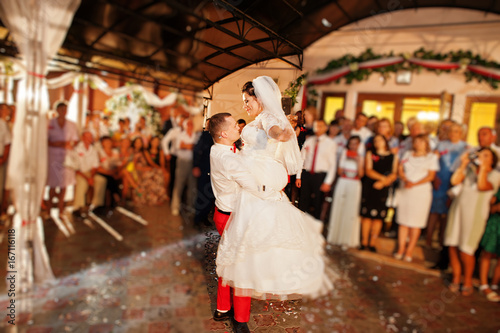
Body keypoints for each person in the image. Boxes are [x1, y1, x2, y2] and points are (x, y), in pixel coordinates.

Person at [215, 77, 332, 307]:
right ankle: (245, 286)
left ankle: (248, 282)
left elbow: (274, 131)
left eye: (247, 100)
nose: (245, 105)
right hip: (255, 173)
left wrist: (280, 133)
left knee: (253, 234)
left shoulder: (268, 118)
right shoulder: (260, 118)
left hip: (260, 178)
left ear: (259, 98)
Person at [208, 112, 282, 333]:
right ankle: (240, 319)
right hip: (233, 217)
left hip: (223, 214)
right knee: (242, 267)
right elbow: (254, 187)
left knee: (228, 260)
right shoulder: (228, 159)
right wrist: (276, 194)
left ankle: (222, 308)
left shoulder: (217, 148)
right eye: (233, 126)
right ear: (223, 133)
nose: (238, 128)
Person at [445, 147, 500, 296]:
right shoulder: (470, 170)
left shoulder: (495, 175)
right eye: (480, 154)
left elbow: (483, 186)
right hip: (458, 210)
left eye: (486, 155)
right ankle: (456, 277)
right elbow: (455, 180)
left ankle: (467, 280)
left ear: (492, 160)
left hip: (475, 215)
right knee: (453, 244)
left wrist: (482, 168)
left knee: (466, 249)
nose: (482, 157)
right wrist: (463, 164)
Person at [395, 134, 439, 262]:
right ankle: (401, 248)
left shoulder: (431, 157)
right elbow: (400, 168)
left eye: (421, 141)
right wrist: (404, 179)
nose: (418, 144)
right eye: (416, 141)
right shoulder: (408, 154)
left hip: (421, 191)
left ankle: (409, 250)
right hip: (406, 189)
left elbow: (431, 176)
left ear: (426, 143)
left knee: (415, 223)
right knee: (403, 221)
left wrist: (414, 183)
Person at [426, 123, 467, 248]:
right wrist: (435, 177)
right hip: (440, 182)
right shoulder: (441, 145)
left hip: (454, 183)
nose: (453, 133)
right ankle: (428, 240)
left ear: (461, 133)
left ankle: (441, 241)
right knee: (434, 212)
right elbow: (433, 161)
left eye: (456, 131)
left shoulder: (465, 147)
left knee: (447, 215)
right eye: (451, 131)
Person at [360, 134, 398, 252]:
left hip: (383, 188)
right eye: (375, 141)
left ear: (385, 141)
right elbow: (368, 170)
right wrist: (382, 178)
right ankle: (364, 241)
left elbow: (394, 173)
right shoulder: (370, 154)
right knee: (366, 216)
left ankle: (373, 242)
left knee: (378, 217)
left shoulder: (393, 156)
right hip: (370, 186)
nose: (377, 143)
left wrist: (385, 182)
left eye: (380, 140)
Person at [327, 135, 364, 249]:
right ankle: (334, 237)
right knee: (339, 208)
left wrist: (358, 162)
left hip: (354, 184)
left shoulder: (361, 156)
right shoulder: (344, 153)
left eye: (355, 143)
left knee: (351, 210)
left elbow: (361, 174)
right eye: (351, 143)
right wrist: (343, 161)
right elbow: (339, 171)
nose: (353, 146)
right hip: (343, 182)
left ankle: (346, 240)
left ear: (359, 145)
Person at [297, 119, 337, 220]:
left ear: (325, 128)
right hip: (306, 174)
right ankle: (300, 224)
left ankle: (315, 228)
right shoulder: (309, 141)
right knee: (303, 201)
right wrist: (298, 176)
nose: (317, 128)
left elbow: (332, 165)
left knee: (317, 203)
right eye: (316, 126)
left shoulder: (330, 143)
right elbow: (302, 159)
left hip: (320, 176)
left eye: (320, 126)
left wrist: (328, 182)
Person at [47, 101, 79, 218]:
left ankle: (61, 209)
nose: (63, 112)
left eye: (65, 110)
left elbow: (75, 140)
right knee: (52, 184)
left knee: (64, 184)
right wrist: (58, 144)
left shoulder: (71, 124)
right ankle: (49, 210)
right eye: (61, 110)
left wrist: (68, 144)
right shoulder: (50, 123)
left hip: (66, 156)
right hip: (53, 156)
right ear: (57, 111)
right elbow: (46, 140)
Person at [171, 118, 198, 216]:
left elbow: (195, 148)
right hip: (182, 162)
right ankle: (175, 207)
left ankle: (191, 207)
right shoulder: (180, 136)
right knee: (179, 184)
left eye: (191, 124)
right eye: (188, 124)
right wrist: (191, 146)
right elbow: (181, 146)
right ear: (184, 126)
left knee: (192, 185)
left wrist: (186, 145)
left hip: (193, 163)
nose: (190, 126)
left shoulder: (196, 136)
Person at [478, 188, 500, 302]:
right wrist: (496, 208)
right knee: (487, 253)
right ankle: (483, 284)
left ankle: (495, 284)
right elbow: (489, 206)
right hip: (495, 224)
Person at [192, 118, 215, 228]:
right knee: (201, 194)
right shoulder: (204, 135)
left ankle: (205, 217)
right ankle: (197, 219)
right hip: (204, 168)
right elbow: (196, 151)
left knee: (210, 195)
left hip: (214, 171)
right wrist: (195, 166)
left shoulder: (217, 136)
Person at [72, 131, 99, 217]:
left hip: (91, 172)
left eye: (90, 137)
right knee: (82, 183)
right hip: (80, 173)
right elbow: (76, 168)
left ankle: (97, 205)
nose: (89, 139)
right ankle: (77, 208)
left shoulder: (94, 149)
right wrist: (87, 178)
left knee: (101, 181)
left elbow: (95, 165)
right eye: (87, 137)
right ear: (82, 138)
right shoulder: (76, 149)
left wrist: (91, 176)